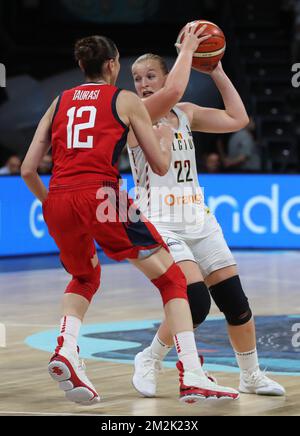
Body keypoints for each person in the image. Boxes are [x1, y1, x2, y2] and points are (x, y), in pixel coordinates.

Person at [21, 32, 239, 406]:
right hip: (102, 196)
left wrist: (52, 205)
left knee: (84, 276)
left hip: (57, 198)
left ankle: (67, 349)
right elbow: (159, 161)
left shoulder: (59, 101)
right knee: (173, 279)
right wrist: (186, 52)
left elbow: (28, 169)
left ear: (80, 66)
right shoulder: (123, 99)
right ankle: (192, 375)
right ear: (112, 65)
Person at [128, 52, 285, 397]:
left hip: (198, 218)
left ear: (167, 78)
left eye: (151, 76)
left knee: (235, 302)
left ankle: (251, 375)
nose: (143, 85)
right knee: (195, 302)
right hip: (161, 222)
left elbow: (238, 118)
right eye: (137, 79)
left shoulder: (186, 113)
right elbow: (175, 90)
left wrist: (217, 71)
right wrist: (188, 51)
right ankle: (149, 358)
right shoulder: (135, 118)